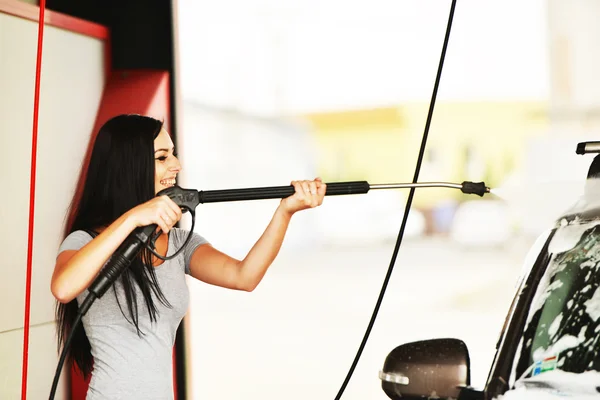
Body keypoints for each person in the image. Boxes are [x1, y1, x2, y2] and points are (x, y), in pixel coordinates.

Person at [51, 114, 326, 399]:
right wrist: (132, 218)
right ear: (129, 167)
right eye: (162, 157)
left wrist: (285, 212)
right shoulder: (86, 241)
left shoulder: (180, 243)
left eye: (174, 154)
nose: (176, 165)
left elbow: (244, 276)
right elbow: (63, 287)